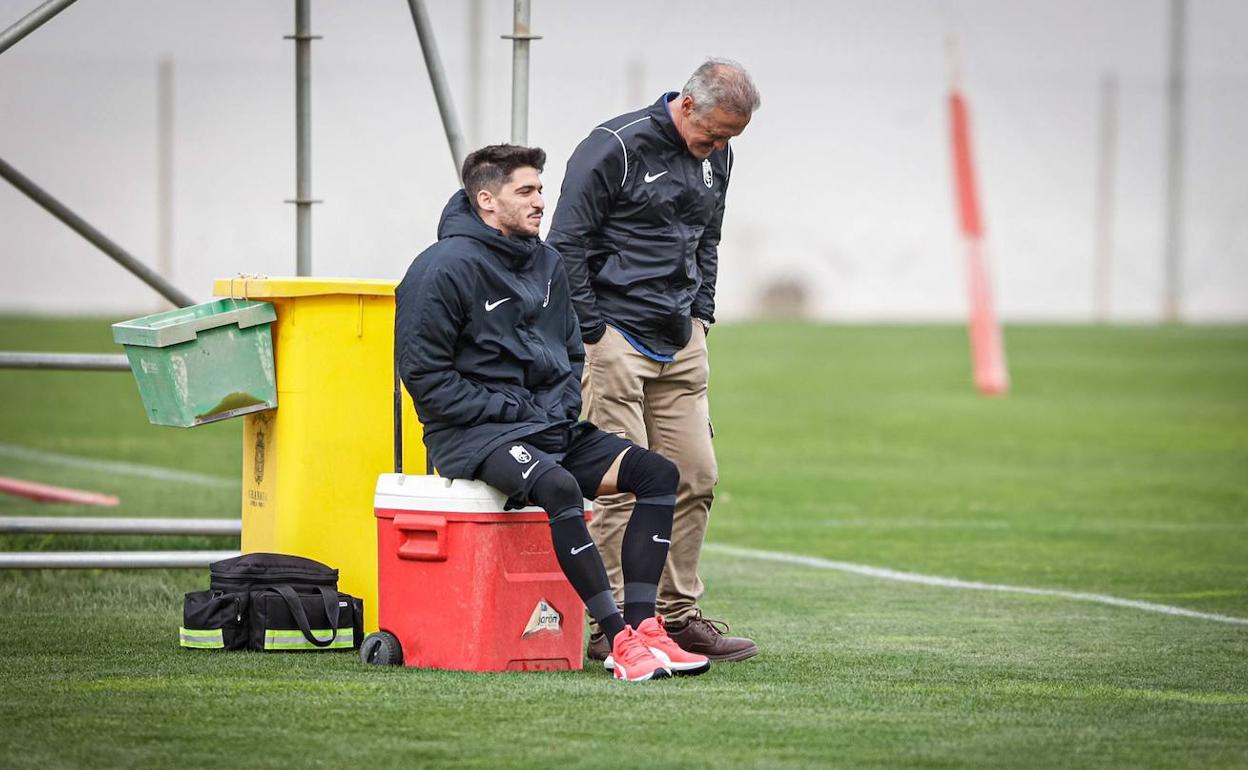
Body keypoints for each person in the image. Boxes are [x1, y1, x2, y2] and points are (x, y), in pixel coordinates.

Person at [395, 144, 709, 682]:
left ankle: (644, 629)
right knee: (561, 487)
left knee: (658, 474)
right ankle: (617, 641)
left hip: (547, 425)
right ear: (487, 200)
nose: (542, 201)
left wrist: (558, 408)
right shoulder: (438, 269)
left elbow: (570, 353)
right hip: (473, 436)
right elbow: (426, 379)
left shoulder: (546, 262)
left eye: (541, 189)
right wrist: (511, 408)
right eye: (527, 191)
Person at [548, 58, 761, 663]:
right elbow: (565, 246)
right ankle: (609, 624)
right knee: (620, 487)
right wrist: (592, 334)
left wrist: (702, 314)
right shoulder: (610, 147)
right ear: (686, 104)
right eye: (713, 134)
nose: (716, 148)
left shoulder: (716, 152)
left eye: (728, 140)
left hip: (681, 339)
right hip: (614, 340)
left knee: (696, 476)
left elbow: (708, 236)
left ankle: (677, 616)